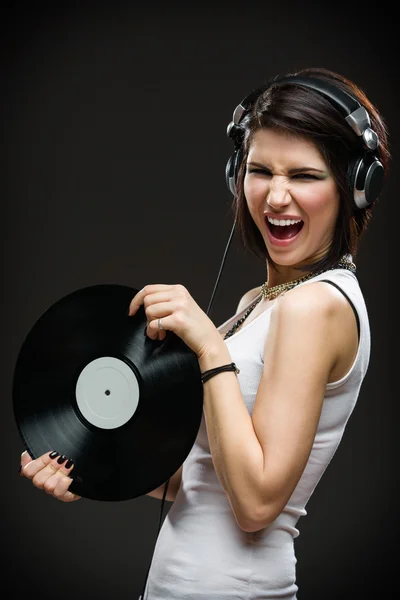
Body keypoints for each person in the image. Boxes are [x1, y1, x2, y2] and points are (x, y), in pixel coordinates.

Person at [19, 66, 391, 599]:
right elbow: (199, 480)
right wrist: (88, 471)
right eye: (260, 170)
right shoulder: (261, 303)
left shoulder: (316, 308)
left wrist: (209, 345)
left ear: (355, 188)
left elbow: (257, 505)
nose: (275, 196)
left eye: (305, 176)